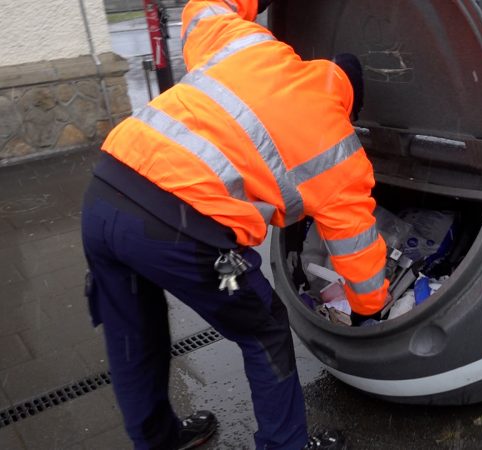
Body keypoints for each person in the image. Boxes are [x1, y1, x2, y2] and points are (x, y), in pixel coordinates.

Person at [80, 0, 389, 448]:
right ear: (350, 104)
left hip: (107, 190)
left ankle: (158, 441)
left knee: (133, 331)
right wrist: (369, 311)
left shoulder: (247, 43)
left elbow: (205, 7)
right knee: (263, 329)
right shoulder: (338, 146)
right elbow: (357, 251)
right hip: (184, 232)